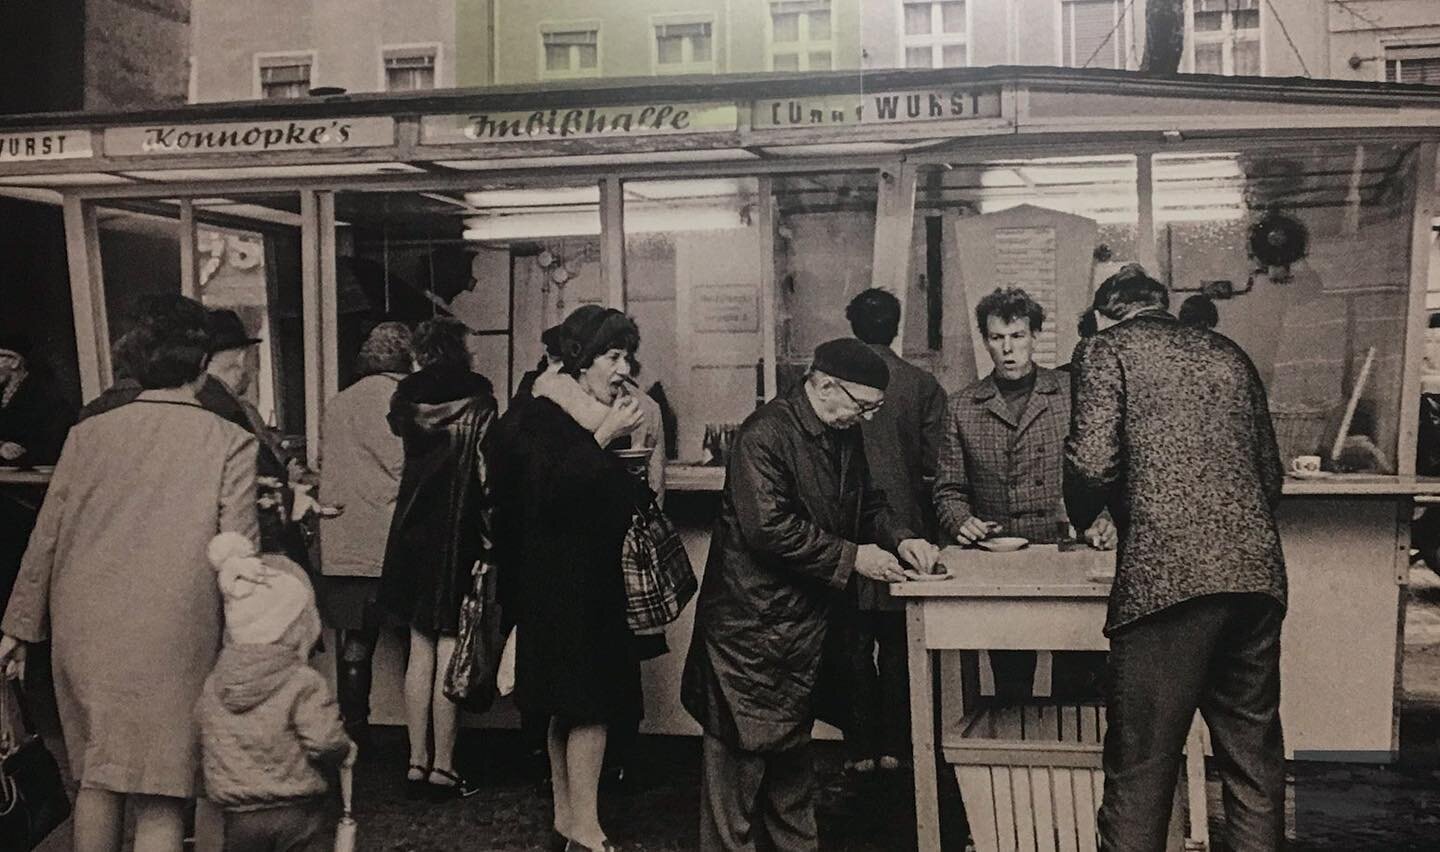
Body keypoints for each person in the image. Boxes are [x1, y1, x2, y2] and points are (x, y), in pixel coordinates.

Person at [0, 294, 259, 852]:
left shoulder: (87, 436)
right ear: (201, 361)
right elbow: (238, 557)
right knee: (161, 793)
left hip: (86, 628)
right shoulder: (229, 442)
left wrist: (19, 626)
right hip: (177, 631)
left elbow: (47, 536)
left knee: (98, 775)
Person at [682, 337, 940, 852]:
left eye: (874, 409)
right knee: (736, 777)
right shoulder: (765, 435)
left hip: (798, 631)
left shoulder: (840, 431)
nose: (865, 419)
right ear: (823, 386)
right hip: (748, 634)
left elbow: (869, 503)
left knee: (791, 772)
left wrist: (902, 537)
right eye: (862, 406)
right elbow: (770, 530)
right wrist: (854, 558)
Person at [1065, 264, 1287, 851]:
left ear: (1105, 315)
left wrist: (1087, 514)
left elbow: (1091, 464)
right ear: (1159, 305)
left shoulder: (1103, 349)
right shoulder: (1227, 352)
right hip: (1255, 579)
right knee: (1252, 764)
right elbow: (1270, 475)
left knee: (1141, 768)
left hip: (1165, 586)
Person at [490, 305, 651, 852]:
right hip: (563, 584)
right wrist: (609, 435)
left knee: (568, 703)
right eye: (612, 355)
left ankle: (568, 819)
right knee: (592, 706)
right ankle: (586, 826)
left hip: (573, 581)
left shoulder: (558, 411)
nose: (623, 367)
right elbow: (549, 494)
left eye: (627, 355)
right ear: (581, 362)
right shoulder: (546, 413)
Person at [933, 287, 1114, 701]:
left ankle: (1072, 766)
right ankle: (1010, 766)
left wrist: (1103, 519)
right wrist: (960, 520)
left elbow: (1103, 473)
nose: (1008, 349)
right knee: (1011, 683)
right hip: (1003, 567)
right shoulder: (963, 407)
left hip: (1069, 556)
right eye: (997, 338)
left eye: (1017, 336)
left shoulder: (1071, 393)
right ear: (986, 341)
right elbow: (948, 490)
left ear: (1035, 336)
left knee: (1081, 681)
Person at [376, 317, 496, 799]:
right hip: (460, 531)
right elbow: (487, 478)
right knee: (450, 645)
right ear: (460, 350)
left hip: (411, 532)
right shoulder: (482, 401)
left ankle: (415, 761)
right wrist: (490, 543)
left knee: (418, 648)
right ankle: (445, 766)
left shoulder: (405, 401)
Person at [196, 533, 356, 852]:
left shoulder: (215, 684)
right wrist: (344, 749)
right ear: (294, 629)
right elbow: (323, 741)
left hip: (238, 817)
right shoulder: (302, 683)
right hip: (298, 812)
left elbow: (204, 738)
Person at [842, 288, 946, 773]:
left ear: (853, 326)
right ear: (897, 324)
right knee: (904, 646)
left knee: (853, 646)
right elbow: (935, 464)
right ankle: (900, 749)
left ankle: (860, 749)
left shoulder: (839, 383)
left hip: (847, 531)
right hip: (906, 528)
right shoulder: (921, 385)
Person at [317, 322, 413, 745]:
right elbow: (402, 466)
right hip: (390, 538)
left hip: (344, 537)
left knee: (356, 642)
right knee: (417, 642)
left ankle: (352, 734)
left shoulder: (338, 402)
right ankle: (422, 742)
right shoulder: (398, 399)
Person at [0, 332, 76, 468]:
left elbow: (55, 440)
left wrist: (21, 451)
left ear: (14, 362)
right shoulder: (3, 392)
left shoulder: (44, 395)